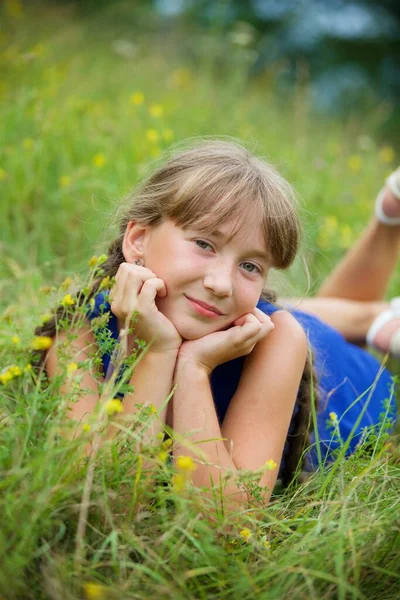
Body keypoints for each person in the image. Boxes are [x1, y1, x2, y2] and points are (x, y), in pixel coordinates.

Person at [33, 139, 399, 510]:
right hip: (228, 318)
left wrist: (193, 368)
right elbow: (109, 500)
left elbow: (224, 521)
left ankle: (374, 304)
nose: (221, 282)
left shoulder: (279, 339)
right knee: (296, 315)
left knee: (302, 325)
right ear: (139, 239)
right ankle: (375, 301)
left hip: (346, 379)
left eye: (251, 266)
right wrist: (158, 351)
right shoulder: (80, 330)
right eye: (204, 244)